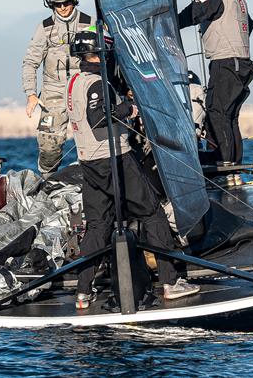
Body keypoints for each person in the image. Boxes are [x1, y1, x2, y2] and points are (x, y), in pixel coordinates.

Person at [66, 27, 200, 309]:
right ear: (101, 53)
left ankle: (82, 290)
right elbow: (98, 117)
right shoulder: (96, 83)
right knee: (152, 214)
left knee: (98, 225)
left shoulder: (74, 81)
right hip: (114, 159)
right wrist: (129, 108)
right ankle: (171, 282)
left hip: (89, 162)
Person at [176, 0, 253, 170]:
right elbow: (250, 24)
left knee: (216, 112)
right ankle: (234, 161)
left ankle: (224, 160)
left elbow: (193, 13)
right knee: (230, 116)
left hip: (225, 63)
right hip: (244, 64)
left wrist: (169, 23)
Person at [22, 0, 94, 178]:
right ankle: (47, 179)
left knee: (91, 141)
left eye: (67, 3)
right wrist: (30, 94)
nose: (63, 8)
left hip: (84, 90)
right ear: (51, 4)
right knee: (48, 145)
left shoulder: (89, 24)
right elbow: (30, 62)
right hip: (53, 94)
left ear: (74, 0)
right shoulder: (44, 28)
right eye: (57, 4)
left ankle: (91, 181)